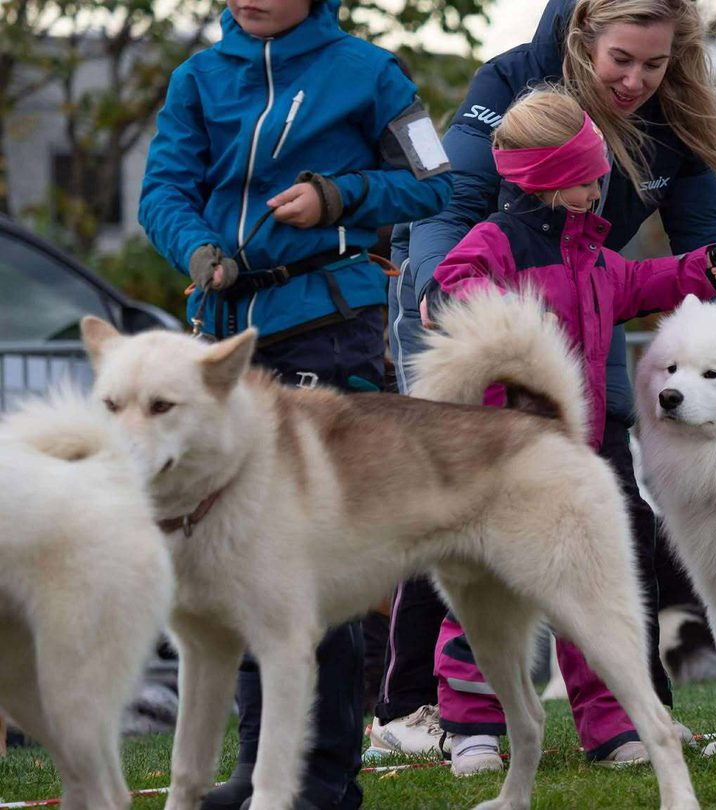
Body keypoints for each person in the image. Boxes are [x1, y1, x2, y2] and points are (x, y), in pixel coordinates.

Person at [374, 0, 716, 767]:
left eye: (655, 64)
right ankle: (414, 706)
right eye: (622, 60)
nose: (636, 80)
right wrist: (445, 291)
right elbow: (451, 204)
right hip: (463, 304)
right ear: (585, 39)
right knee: (462, 519)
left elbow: (701, 233)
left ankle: (626, 710)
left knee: (611, 511)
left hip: (583, 289)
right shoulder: (511, 81)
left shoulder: (672, 110)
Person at [137, 0, 452, 807]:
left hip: (330, 331)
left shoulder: (372, 73)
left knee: (313, 562)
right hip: (225, 345)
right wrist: (197, 248)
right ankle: (258, 773)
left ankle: (320, 780)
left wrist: (338, 196)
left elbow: (434, 183)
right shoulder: (197, 77)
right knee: (237, 558)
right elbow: (162, 190)